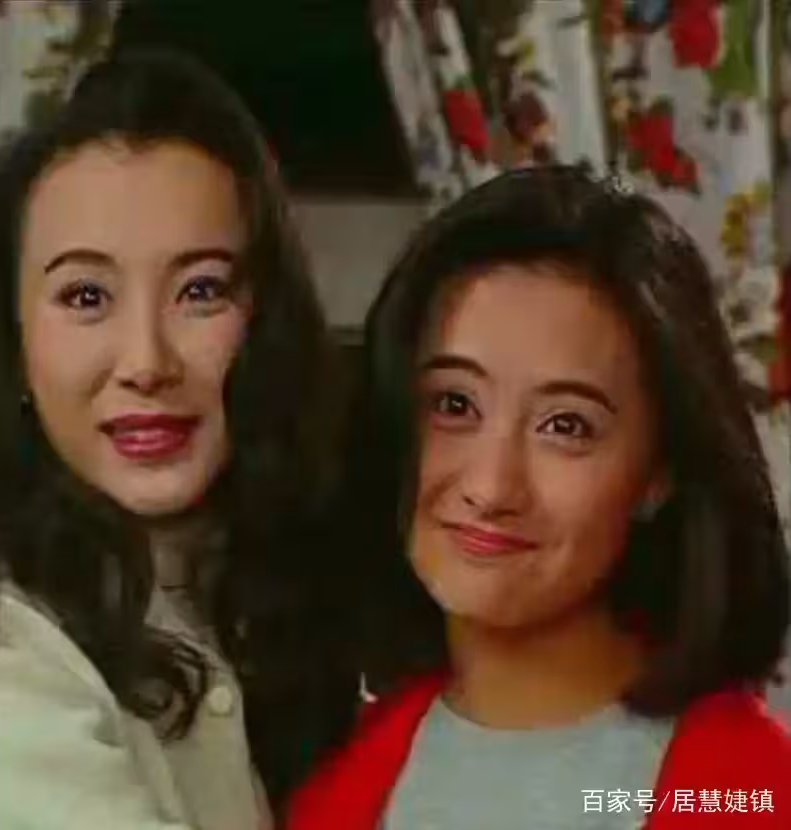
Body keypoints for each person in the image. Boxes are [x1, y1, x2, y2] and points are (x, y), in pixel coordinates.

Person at [0, 47, 355, 830]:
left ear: (264, 321)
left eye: (200, 290)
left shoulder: (258, 595)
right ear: (15, 343)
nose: (147, 362)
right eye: (86, 296)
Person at [287, 166, 791, 829]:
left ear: (659, 474)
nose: (491, 486)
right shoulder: (329, 790)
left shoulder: (756, 796)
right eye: (455, 404)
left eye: (566, 426)